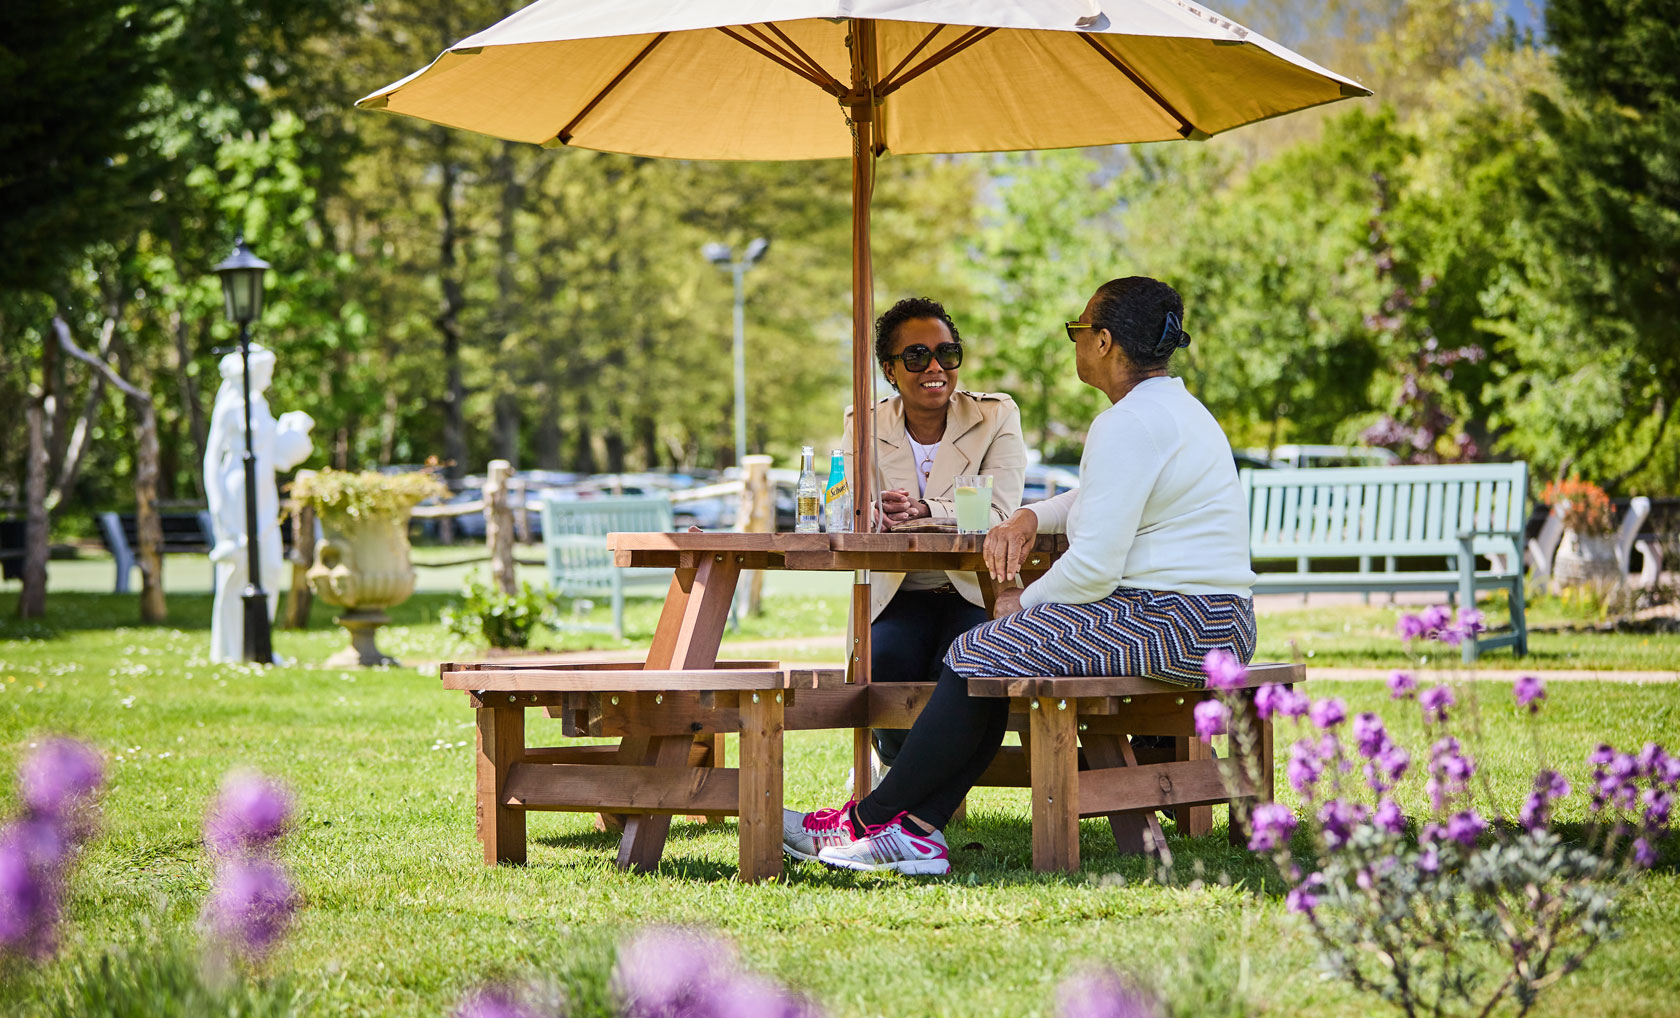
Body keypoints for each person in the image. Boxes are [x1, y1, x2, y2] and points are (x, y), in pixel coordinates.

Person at [783, 276, 1256, 874]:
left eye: (1079, 330)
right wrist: (1034, 513)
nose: (1076, 342)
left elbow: (1093, 568)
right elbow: (1098, 499)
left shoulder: (1126, 423)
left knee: (979, 649)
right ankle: (914, 830)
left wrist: (1024, 604)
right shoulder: (1172, 410)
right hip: (1213, 620)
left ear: (1105, 342)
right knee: (983, 654)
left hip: (1177, 622)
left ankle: (874, 821)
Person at [837, 296, 1025, 779]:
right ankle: (906, 774)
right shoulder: (865, 423)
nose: (935, 367)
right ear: (890, 369)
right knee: (884, 660)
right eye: (917, 356)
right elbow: (852, 508)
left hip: (976, 590)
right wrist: (872, 512)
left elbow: (999, 512)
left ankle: (911, 791)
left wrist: (922, 510)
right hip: (898, 592)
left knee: (965, 659)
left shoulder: (996, 416)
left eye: (948, 353)